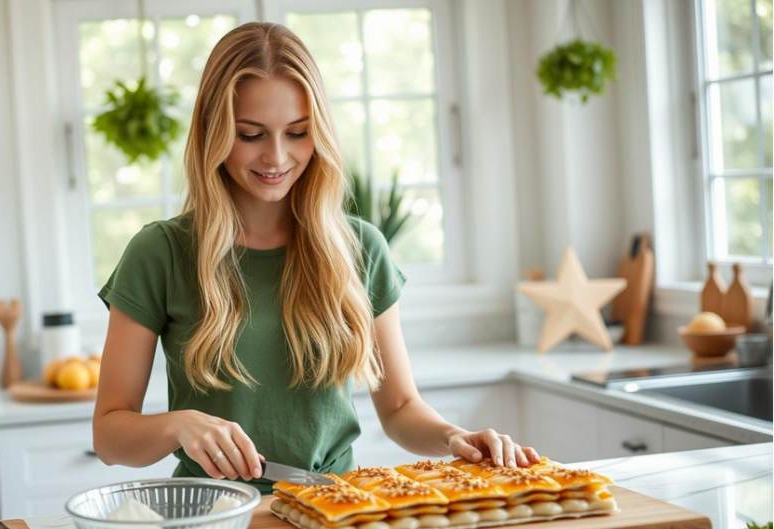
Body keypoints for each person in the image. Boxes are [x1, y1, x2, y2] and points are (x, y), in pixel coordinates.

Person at [92, 22, 538, 494]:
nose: (277, 157)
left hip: (336, 512)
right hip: (213, 517)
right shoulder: (159, 253)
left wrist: (455, 437)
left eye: (298, 132)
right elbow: (109, 436)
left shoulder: (361, 249)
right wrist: (177, 425)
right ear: (213, 133)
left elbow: (401, 408)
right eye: (251, 134)